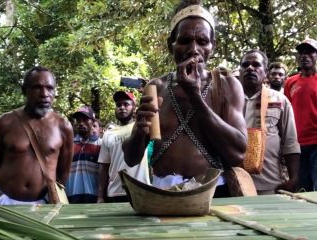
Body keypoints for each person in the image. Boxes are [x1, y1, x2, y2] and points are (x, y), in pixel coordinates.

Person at [122, 0, 247, 197]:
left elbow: (238, 154)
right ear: (171, 46)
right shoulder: (156, 87)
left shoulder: (227, 86)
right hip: (163, 192)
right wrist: (139, 130)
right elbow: (131, 159)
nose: (194, 49)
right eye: (185, 40)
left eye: (202, 41)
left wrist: (195, 96)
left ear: (212, 47)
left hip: (214, 192)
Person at [0, 66, 74, 205]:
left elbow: (63, 173)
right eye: (37, 88)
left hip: (44, 203)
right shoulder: (4, 123)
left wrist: (53, 197)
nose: (44, 94)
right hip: (4, 200)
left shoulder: (63, 126)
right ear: (24, 90)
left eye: (49, 88)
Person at [239, 49, 300, 194]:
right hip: (233, 182)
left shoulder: (279, 100)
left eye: (256, 65)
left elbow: (290, 142)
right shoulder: (227, 99)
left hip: (269, 183)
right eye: (245, 65)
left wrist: (294, 178)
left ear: (265, 72)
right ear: (240, 70)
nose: (250, 68)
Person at [97, 91, 150, 203]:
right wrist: (100, 196)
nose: (122, 107)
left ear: (134, 107)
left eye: (126, 104)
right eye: (118, 105)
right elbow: (104, 167)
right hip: (115, 192)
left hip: (141, 189)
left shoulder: (142, 127)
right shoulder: (108, 134)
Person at [284, 38, 317, 191]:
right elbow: (286, 113)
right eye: (301, 53)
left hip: (316, 143)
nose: (305, 56)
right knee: (302, 189)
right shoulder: (290, 82)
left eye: (310, 52)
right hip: (297, 146)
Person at [65, 106, 102, 203]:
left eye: (85, 120)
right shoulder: (68, 145)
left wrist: (101, 196)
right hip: (70, 198)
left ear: (93, 122)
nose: (81, 123)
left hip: (94, 199)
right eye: (78, 120)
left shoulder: (101, 145)